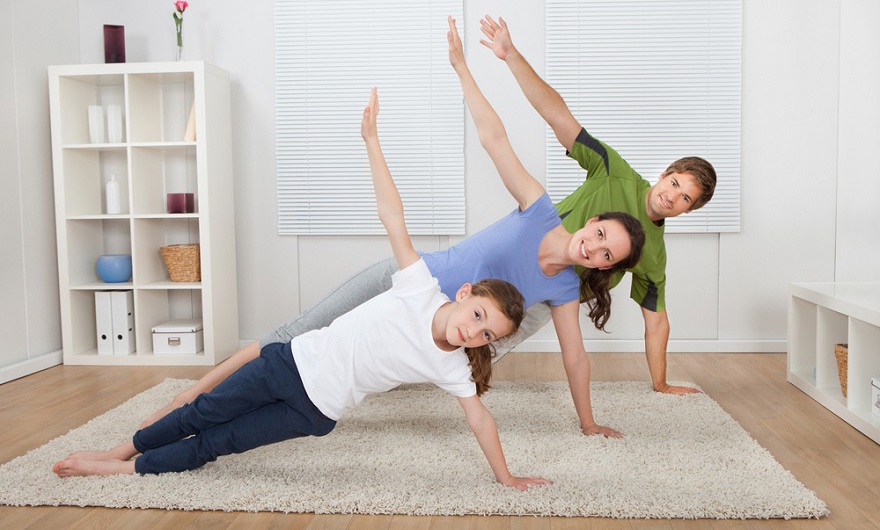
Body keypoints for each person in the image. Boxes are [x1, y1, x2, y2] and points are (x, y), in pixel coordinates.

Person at [140, 17, 646, 438]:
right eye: (601, 236)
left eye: (608, 257)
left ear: (607, 268)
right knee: (296, 333)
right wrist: (462, 68)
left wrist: (589, 422)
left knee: (342, 370)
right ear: (594, 221)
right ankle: (192, 395)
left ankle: (231, 410)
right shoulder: (539, 208)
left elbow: (575, 358)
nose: (595, 251)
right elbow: (495, 138)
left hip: (434, 323)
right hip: (405, 277)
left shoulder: (561, 288)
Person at [53, 88, 550, 491]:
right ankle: (123, 450)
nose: (476, 333)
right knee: (203, 412)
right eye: (481, 317)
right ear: (465, 294)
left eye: (488, 337)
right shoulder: (420, 288)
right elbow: (392, 216)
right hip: (287, 364)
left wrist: (506, 477)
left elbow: (481, 421)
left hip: (314, 412)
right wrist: (372, 141)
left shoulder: (453, 366)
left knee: (218, 443)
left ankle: (122, 471)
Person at [477, 15, 718, 395]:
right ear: (665, 174)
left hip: (547, 297)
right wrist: (511, 57)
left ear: (687, 211)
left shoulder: (653, 253)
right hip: (519, 249)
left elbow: (657, 321)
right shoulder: (613, 171)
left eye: (684, 198)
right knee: (441, 302)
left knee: (478, 348)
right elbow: (558, 115)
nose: (672, 196)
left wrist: (661, 383)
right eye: (674, 183)